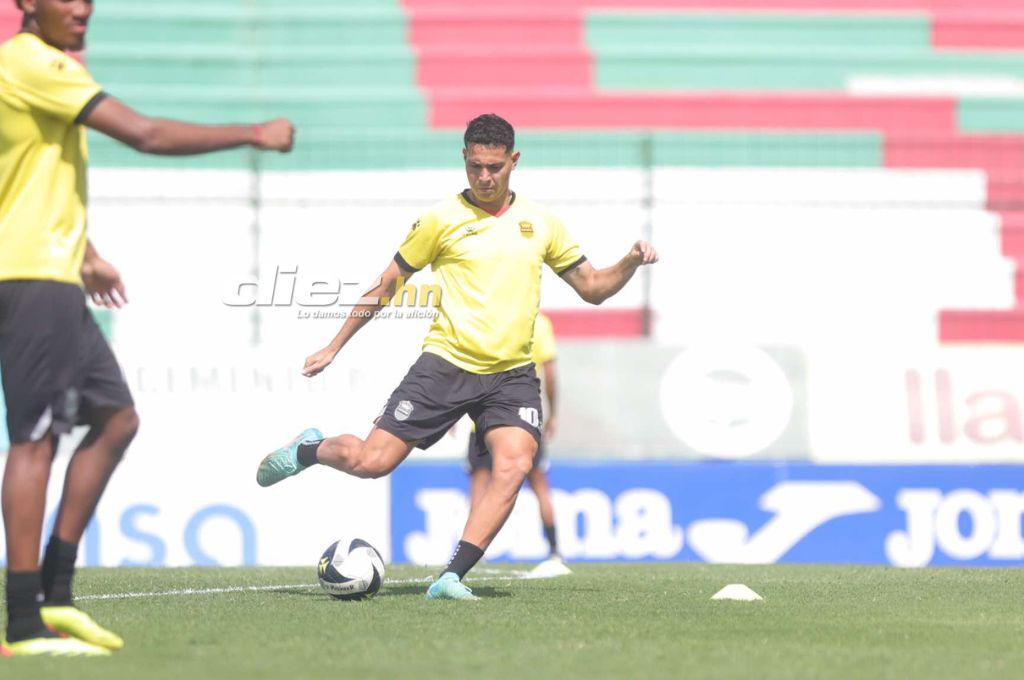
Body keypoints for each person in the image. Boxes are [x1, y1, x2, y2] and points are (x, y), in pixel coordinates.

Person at [257, 113, 657, 601]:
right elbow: (387, 286)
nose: (484, 178)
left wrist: (630, 261)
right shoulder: (440, 220)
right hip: (445, 365)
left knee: (515, 463)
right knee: (370, 462)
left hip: (511, 375)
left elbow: (593, 288)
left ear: (514, 161)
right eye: (474, 167)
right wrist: (334, 345)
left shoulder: (542, 224)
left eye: (494, 167)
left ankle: (451, 577)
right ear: (464, 161)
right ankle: (308, 449)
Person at [1, 0, 294, 657]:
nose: (82, 8)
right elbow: (146, 134)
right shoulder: (33, 64)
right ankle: (22, 623)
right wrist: (252, 132)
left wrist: (83, 250)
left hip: (53, 272)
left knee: (115, 417)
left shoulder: (35, 70)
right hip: (29, 280)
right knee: (35, 442)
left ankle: (55, 592)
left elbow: (24, 181)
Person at [466, 312, 562, 563]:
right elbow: (550, 374)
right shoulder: (540, 324)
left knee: (479, 490)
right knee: (540, 486)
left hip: (484, 422)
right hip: (524, 420)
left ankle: (470, 558)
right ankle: (554, 553)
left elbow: (465, 369)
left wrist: (454, 411)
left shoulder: (490, 319)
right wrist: (552, 413)